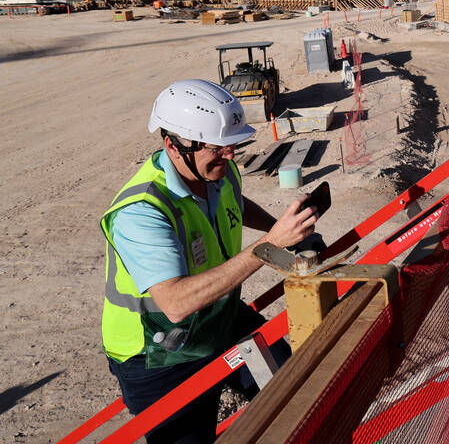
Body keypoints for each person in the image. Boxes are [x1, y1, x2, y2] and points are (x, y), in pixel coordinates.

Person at [101, 79, 320, 442]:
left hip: (219, 317)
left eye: (233, 144)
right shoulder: (140, 212)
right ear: (174, 145)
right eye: (217, 147)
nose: (230, 155)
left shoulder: (219, 171)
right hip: (159, 354)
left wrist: (284, 229)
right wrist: (270, 243)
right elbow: (176, 303)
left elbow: (235, 202)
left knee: (295, 389)